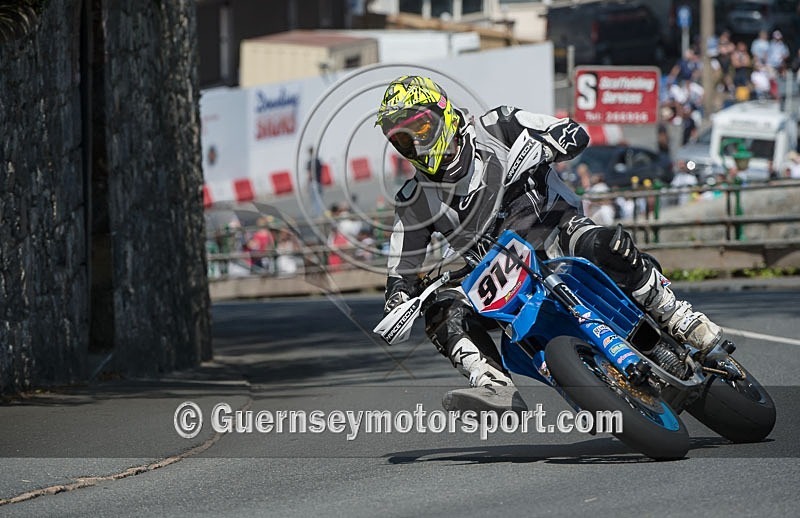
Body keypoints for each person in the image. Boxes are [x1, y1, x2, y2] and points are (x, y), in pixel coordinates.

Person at [375, 75, 724, 414]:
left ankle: (677, 315)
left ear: (443, 113)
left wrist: (553, 143)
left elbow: (572, 131)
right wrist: (399, 299)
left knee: (604, 244)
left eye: (419, 129)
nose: (416, 144)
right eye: (404, 140)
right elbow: (400, 268)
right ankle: (492, 384)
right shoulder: (413, 199)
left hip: (558, 231)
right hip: (499, 276)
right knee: (440, 310)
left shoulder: (499, 125)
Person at [306, 147, 324, 218]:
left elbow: (310, 174)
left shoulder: (310, 162)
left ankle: (319, 214)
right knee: (319, 198)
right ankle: (321, 213)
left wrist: (308, 183)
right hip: (319, 181)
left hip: (313, 183)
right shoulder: (318, 160)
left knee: (314, 199)